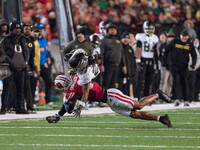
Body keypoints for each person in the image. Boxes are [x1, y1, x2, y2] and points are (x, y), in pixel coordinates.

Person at [46, 74, 172, 128]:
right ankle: (161, 119)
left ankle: (157, 94)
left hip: (111, 95)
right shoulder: (75, 78)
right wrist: (59, 115)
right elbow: (69, 104)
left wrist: (61, 114)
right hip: (109, 101)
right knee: (133, 114)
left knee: (138, 105)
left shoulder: (74, 89)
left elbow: (69, 107)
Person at [0, 20, 29, 114]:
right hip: (9, 67)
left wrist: (25, 62)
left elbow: (26, 51)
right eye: (15, 28)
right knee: (7, 88)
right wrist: (10, 62)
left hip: (21, 67)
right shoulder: (6, 39)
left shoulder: (23, 39)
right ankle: (4, 107)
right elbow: (3, 53)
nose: (17, 30)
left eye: (19, 28)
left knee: (20, 88)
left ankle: (19, 107)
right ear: (11, 29)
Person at [164, 29, 197, 106]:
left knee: (184, 82)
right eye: (183, 36)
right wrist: (165, 62)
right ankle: (177, 99)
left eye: (185, 37)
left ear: (188, 37)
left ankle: (186, 100)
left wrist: (193, 64)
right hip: (174, 65)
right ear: (180, 36)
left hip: (184, 66)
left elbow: (194, 55)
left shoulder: (190, 44)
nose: (184, 38)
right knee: (176, 82)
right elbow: (166, 50)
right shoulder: (175, 42)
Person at [134, 21, 159, 99]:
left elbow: (155, 51)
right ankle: (136, 97)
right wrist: (138, 61)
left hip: (151, 60)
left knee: (149, 81)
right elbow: (138, 49)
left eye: (150, 29)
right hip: (143, 60)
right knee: (140, 80)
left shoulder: (155, 38)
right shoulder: (140, 37)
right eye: (147, 29)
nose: (149, 31)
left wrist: (156, 62)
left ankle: (145, 97)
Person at [100, 23, 126, 89]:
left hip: (117, 66)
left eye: (114, 29)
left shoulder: (118, 41)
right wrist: (101, 64)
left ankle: (110, 98)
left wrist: (124, 65)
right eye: (111, 29)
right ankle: (103, 98)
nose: (113, 31)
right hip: (108, 65)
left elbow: (122, 53)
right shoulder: (104, 41)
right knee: (106, 83)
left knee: (113, 84)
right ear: (107, 30)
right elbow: (101, 54)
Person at [36, 23, 54, 109]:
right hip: (36, 65)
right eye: (39, 30)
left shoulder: (44, 39)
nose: (41, 31)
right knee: (32, 84)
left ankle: (48, 101)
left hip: (43, 63)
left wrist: (48, 57)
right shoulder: (34, 40)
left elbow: (45, 50)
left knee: (49, 82)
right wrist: (39, 49)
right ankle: (31, 103)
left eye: (42, 29)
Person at [22, 23, 36, 113]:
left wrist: (33, 69)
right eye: (26, 29)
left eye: (29, 29)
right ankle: (15, 106)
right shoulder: (19, 40)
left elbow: (32, 57)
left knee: (28, 87)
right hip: (18, 66)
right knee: (16, 88)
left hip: (27, 67)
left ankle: (30, 107)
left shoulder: (31, 42)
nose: (27, 31)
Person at [118, 31, 136, 97]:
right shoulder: (119, 48)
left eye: (128, 38)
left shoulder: (130, 48)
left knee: (127, 89)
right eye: (124, 38)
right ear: (121, 39)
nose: (126, 40)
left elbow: (133, 61)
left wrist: (133, 71)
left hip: (129, 73)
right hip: (120, 73)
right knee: (120, 88)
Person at [30, 26, 40, 110]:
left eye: (37, 32)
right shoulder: (29, 41)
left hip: (35, 67)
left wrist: (38, 69)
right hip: (29, 66)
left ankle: (32, 102)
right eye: (34, 31)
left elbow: (37, 57)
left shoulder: (36, 41)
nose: (36, 33)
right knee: (28, 86)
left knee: (33, 86)